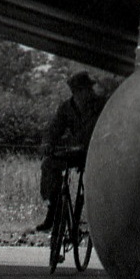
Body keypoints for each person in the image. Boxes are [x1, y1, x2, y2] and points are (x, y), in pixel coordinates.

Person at [29, 72, 105, 237]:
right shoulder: (66, 109)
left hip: (96, 152)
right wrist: (47, 144)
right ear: (77, 92)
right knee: (49, 165)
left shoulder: (101, 105)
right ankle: (53, 208)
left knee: (99, 184)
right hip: (75, 151)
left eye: (90, 88)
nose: (91, 92)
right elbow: (54, 129)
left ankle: (102, 220)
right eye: (86, 89)